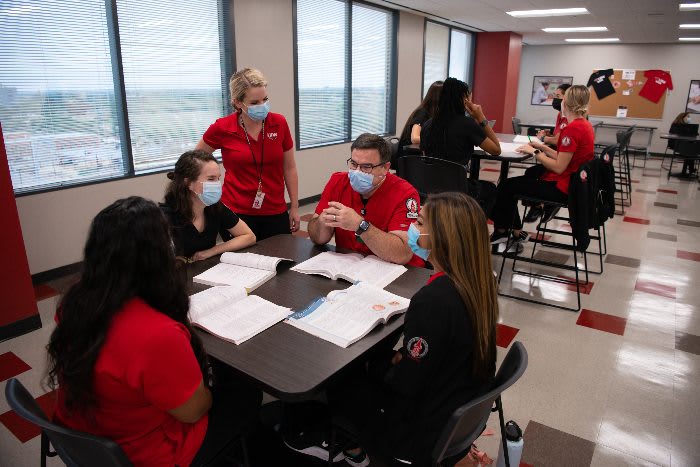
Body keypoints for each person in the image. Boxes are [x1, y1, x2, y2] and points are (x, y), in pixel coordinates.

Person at [48, 197, 261, 467]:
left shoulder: (76, 299)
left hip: (82, 434)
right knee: (245, 393)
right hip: (146, 453)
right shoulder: (158, 335)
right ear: (157, 254)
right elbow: (194, 411)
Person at [294, 192, 498, 466]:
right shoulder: (479, 281)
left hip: (417, 431)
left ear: (444, 238)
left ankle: (346, 444)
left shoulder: (434, 300)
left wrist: (376, 364)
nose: (412, 228)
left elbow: (404, 383)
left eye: (421, 224)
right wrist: (403, 358)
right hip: (455, 403)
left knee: (340, 378)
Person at [196, 67, 300, 241]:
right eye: (254, 102)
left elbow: (289, 168)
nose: (262, 106)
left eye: (265, 99)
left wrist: (295, 207)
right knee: (243, 265)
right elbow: (194, 161)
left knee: (282, 261)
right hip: (236, 211)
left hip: (275, 209)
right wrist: (210, 183)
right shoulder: (222, 127)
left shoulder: (279, 123)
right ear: (238, 102)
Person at [490, 85, 595, 247]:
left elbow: (559, 167)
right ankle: (512, 230)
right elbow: (565, 158)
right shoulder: (585, 125)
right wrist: (543, 148)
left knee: (506, 186)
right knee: (520, 181)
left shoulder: (572, 129)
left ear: (567, 103)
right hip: (574, 185)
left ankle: (503, 232)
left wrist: (535, 153)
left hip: (563, 188)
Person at [307, 133, 422, 266]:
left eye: (366, 167)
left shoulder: (406, 194)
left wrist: (360, 225)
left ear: (385, 168)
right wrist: (321, 222)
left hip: (396, 273)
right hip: (350, 267)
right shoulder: (337, 182)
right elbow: (318, 239)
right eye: (354, 164)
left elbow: (402, 254)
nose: (357, 172)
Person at [161, 150, 256, 262]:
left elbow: (249, 236)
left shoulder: (214, 207)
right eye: (211, 179)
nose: (217, 184)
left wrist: (211, 251)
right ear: (188, 183)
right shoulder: (165, 216)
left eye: (218, 178)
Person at [420, 77, 501, 166]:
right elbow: (496, 150)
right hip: (455, 179)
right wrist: (481, 117)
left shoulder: (428, 124)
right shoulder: (468, 124)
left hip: (429, 179)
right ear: (464, 100)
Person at [396, 80, 443, 163]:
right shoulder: (422, 112)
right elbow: (414, 138)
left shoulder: (434, 114)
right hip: (410, 162)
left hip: (418, 159)